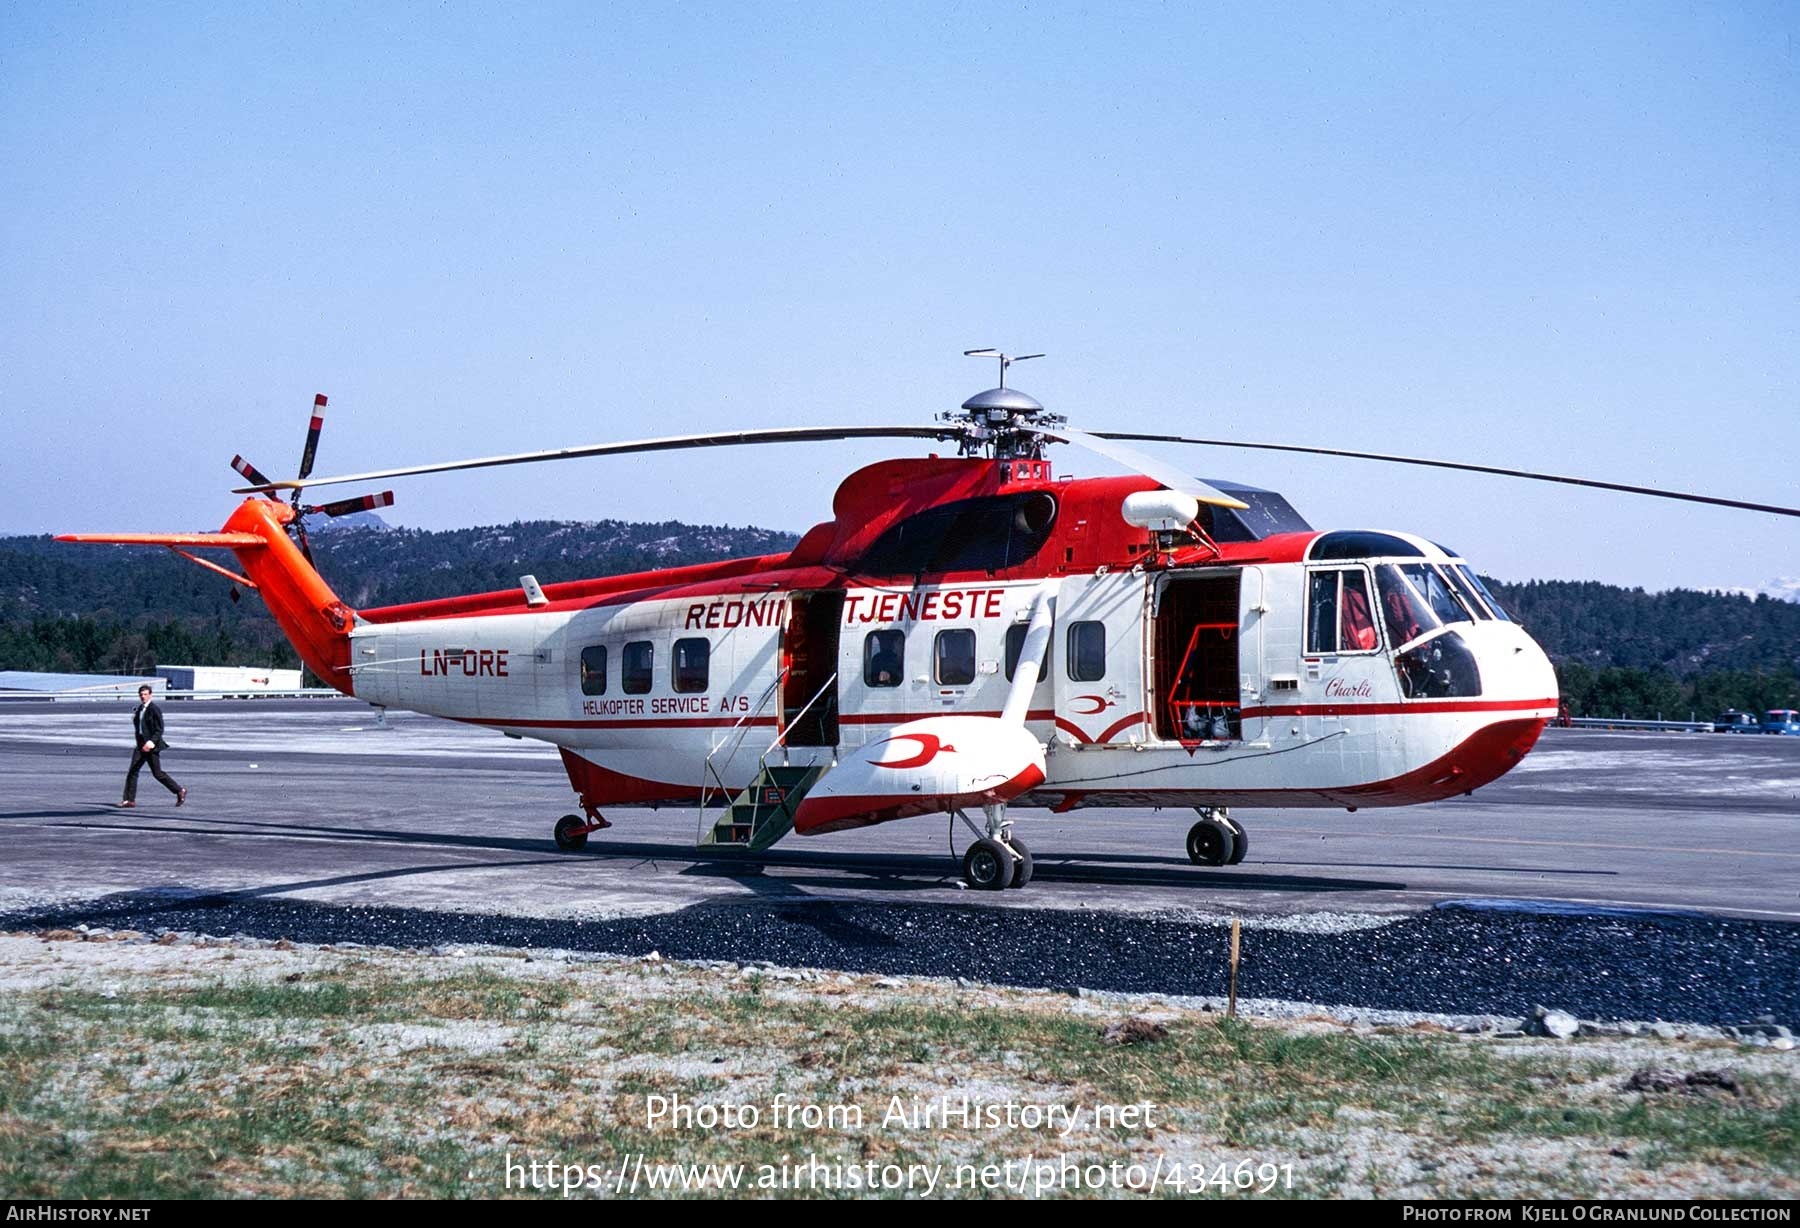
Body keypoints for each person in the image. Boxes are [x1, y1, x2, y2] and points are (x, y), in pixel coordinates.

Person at [120, 684, 185, 808]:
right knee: (132, 771)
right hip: (140, 745)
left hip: (151, 746)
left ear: (150, 695)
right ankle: (129, 800)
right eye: (141, 695)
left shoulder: (154, 709)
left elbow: (159, 729)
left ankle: (179, 790)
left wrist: (150, 743)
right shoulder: (139, 709)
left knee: (157, 773)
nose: (143, 697)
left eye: (145, 694)